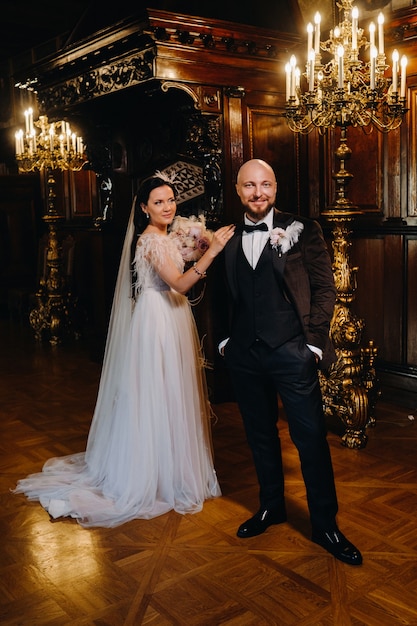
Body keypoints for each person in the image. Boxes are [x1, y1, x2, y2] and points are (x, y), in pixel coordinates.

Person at [13, 173, 235, 528]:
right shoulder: (150, 240)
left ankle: (171, 468)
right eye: (158, 202)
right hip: (158, 319)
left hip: (171, 316)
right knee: (157, 393)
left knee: (172, 392)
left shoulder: (166, 236)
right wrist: (212, 255)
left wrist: (197, 247)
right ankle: (151, 474)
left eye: (170, 200)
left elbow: (177, 277)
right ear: (144, 208)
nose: (167, 206)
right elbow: (178, 284)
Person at [219, 158, 362, 566]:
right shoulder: (226, 236)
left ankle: (325, 524)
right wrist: (228, 340)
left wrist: (313, 345)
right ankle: (271, 506)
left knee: (310, 439)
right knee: (260, 435)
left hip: (291, 352)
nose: (258, 193)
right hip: (245, 354)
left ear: (276, 188)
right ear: (238, 189)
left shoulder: (304, 230)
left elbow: (324, 288)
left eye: (265, 185)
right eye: (249, 186)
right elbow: (221, 294)